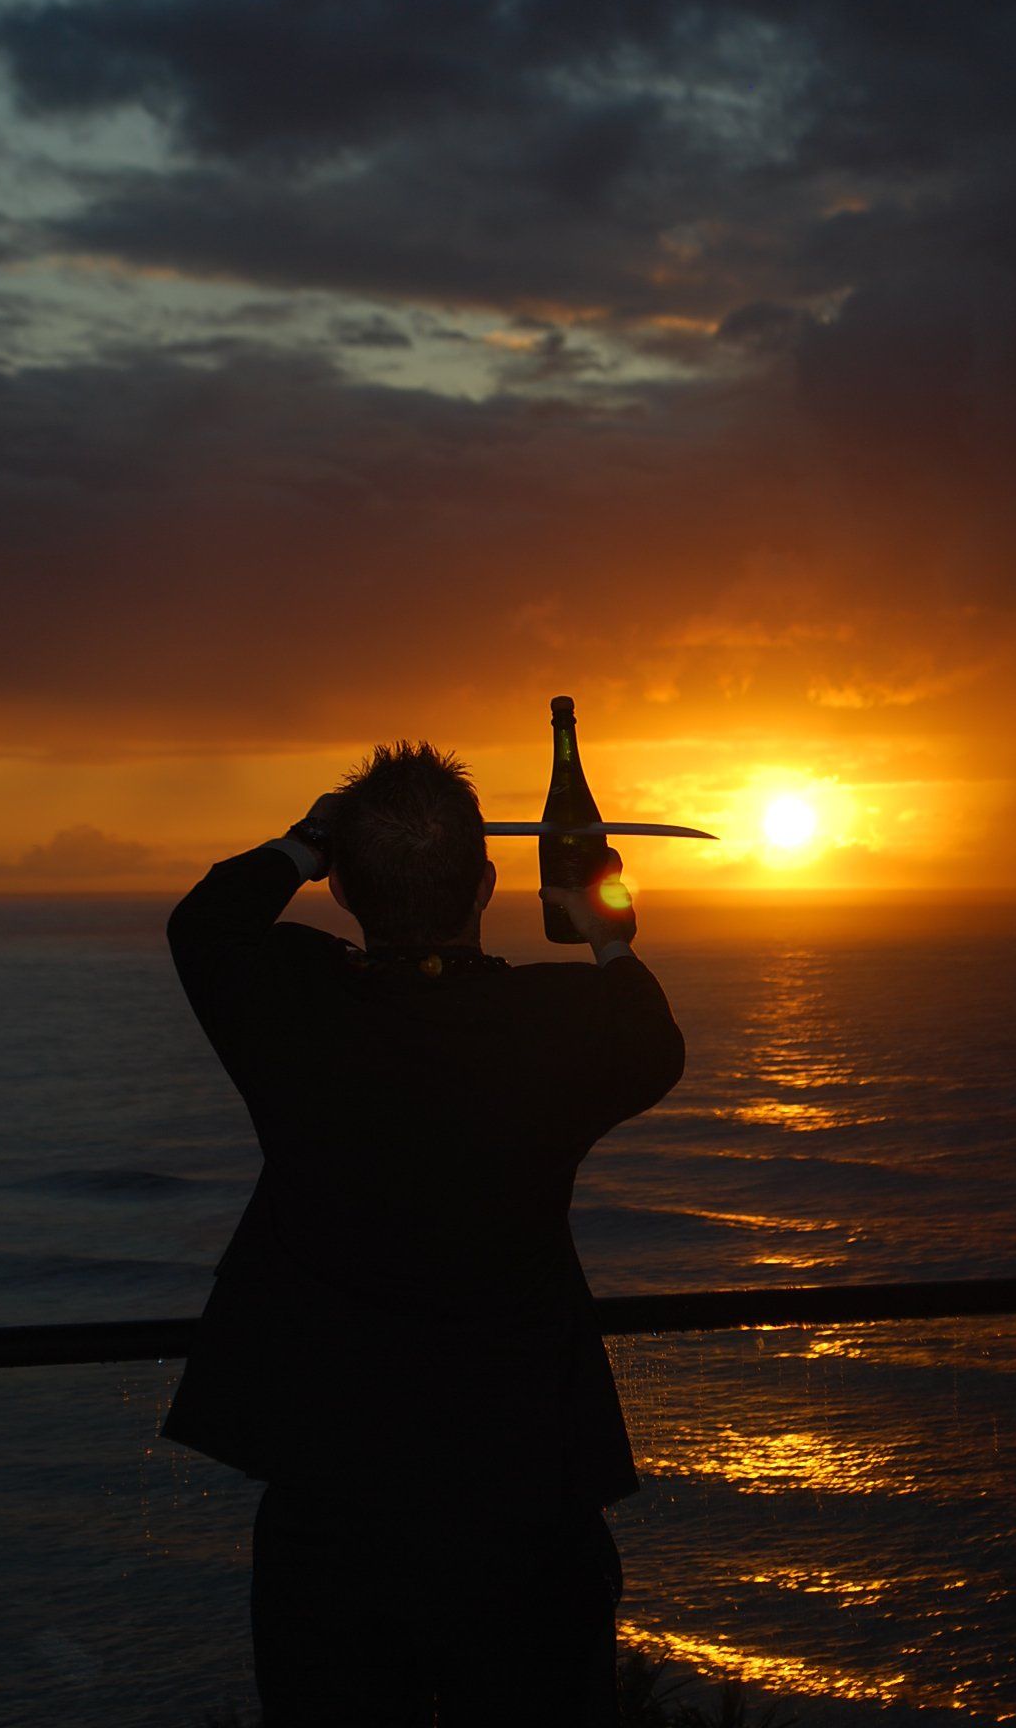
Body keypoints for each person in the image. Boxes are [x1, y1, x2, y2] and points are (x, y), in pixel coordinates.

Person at [160, 739, 686, 1726]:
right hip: (522, 1485)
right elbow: (650, 1034)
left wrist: (306, 838)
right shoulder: (550, 1023)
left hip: (332, 1489)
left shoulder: (295, 1002)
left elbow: (204, 924)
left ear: (345, 890)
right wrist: (606, 921)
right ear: (487, 882)